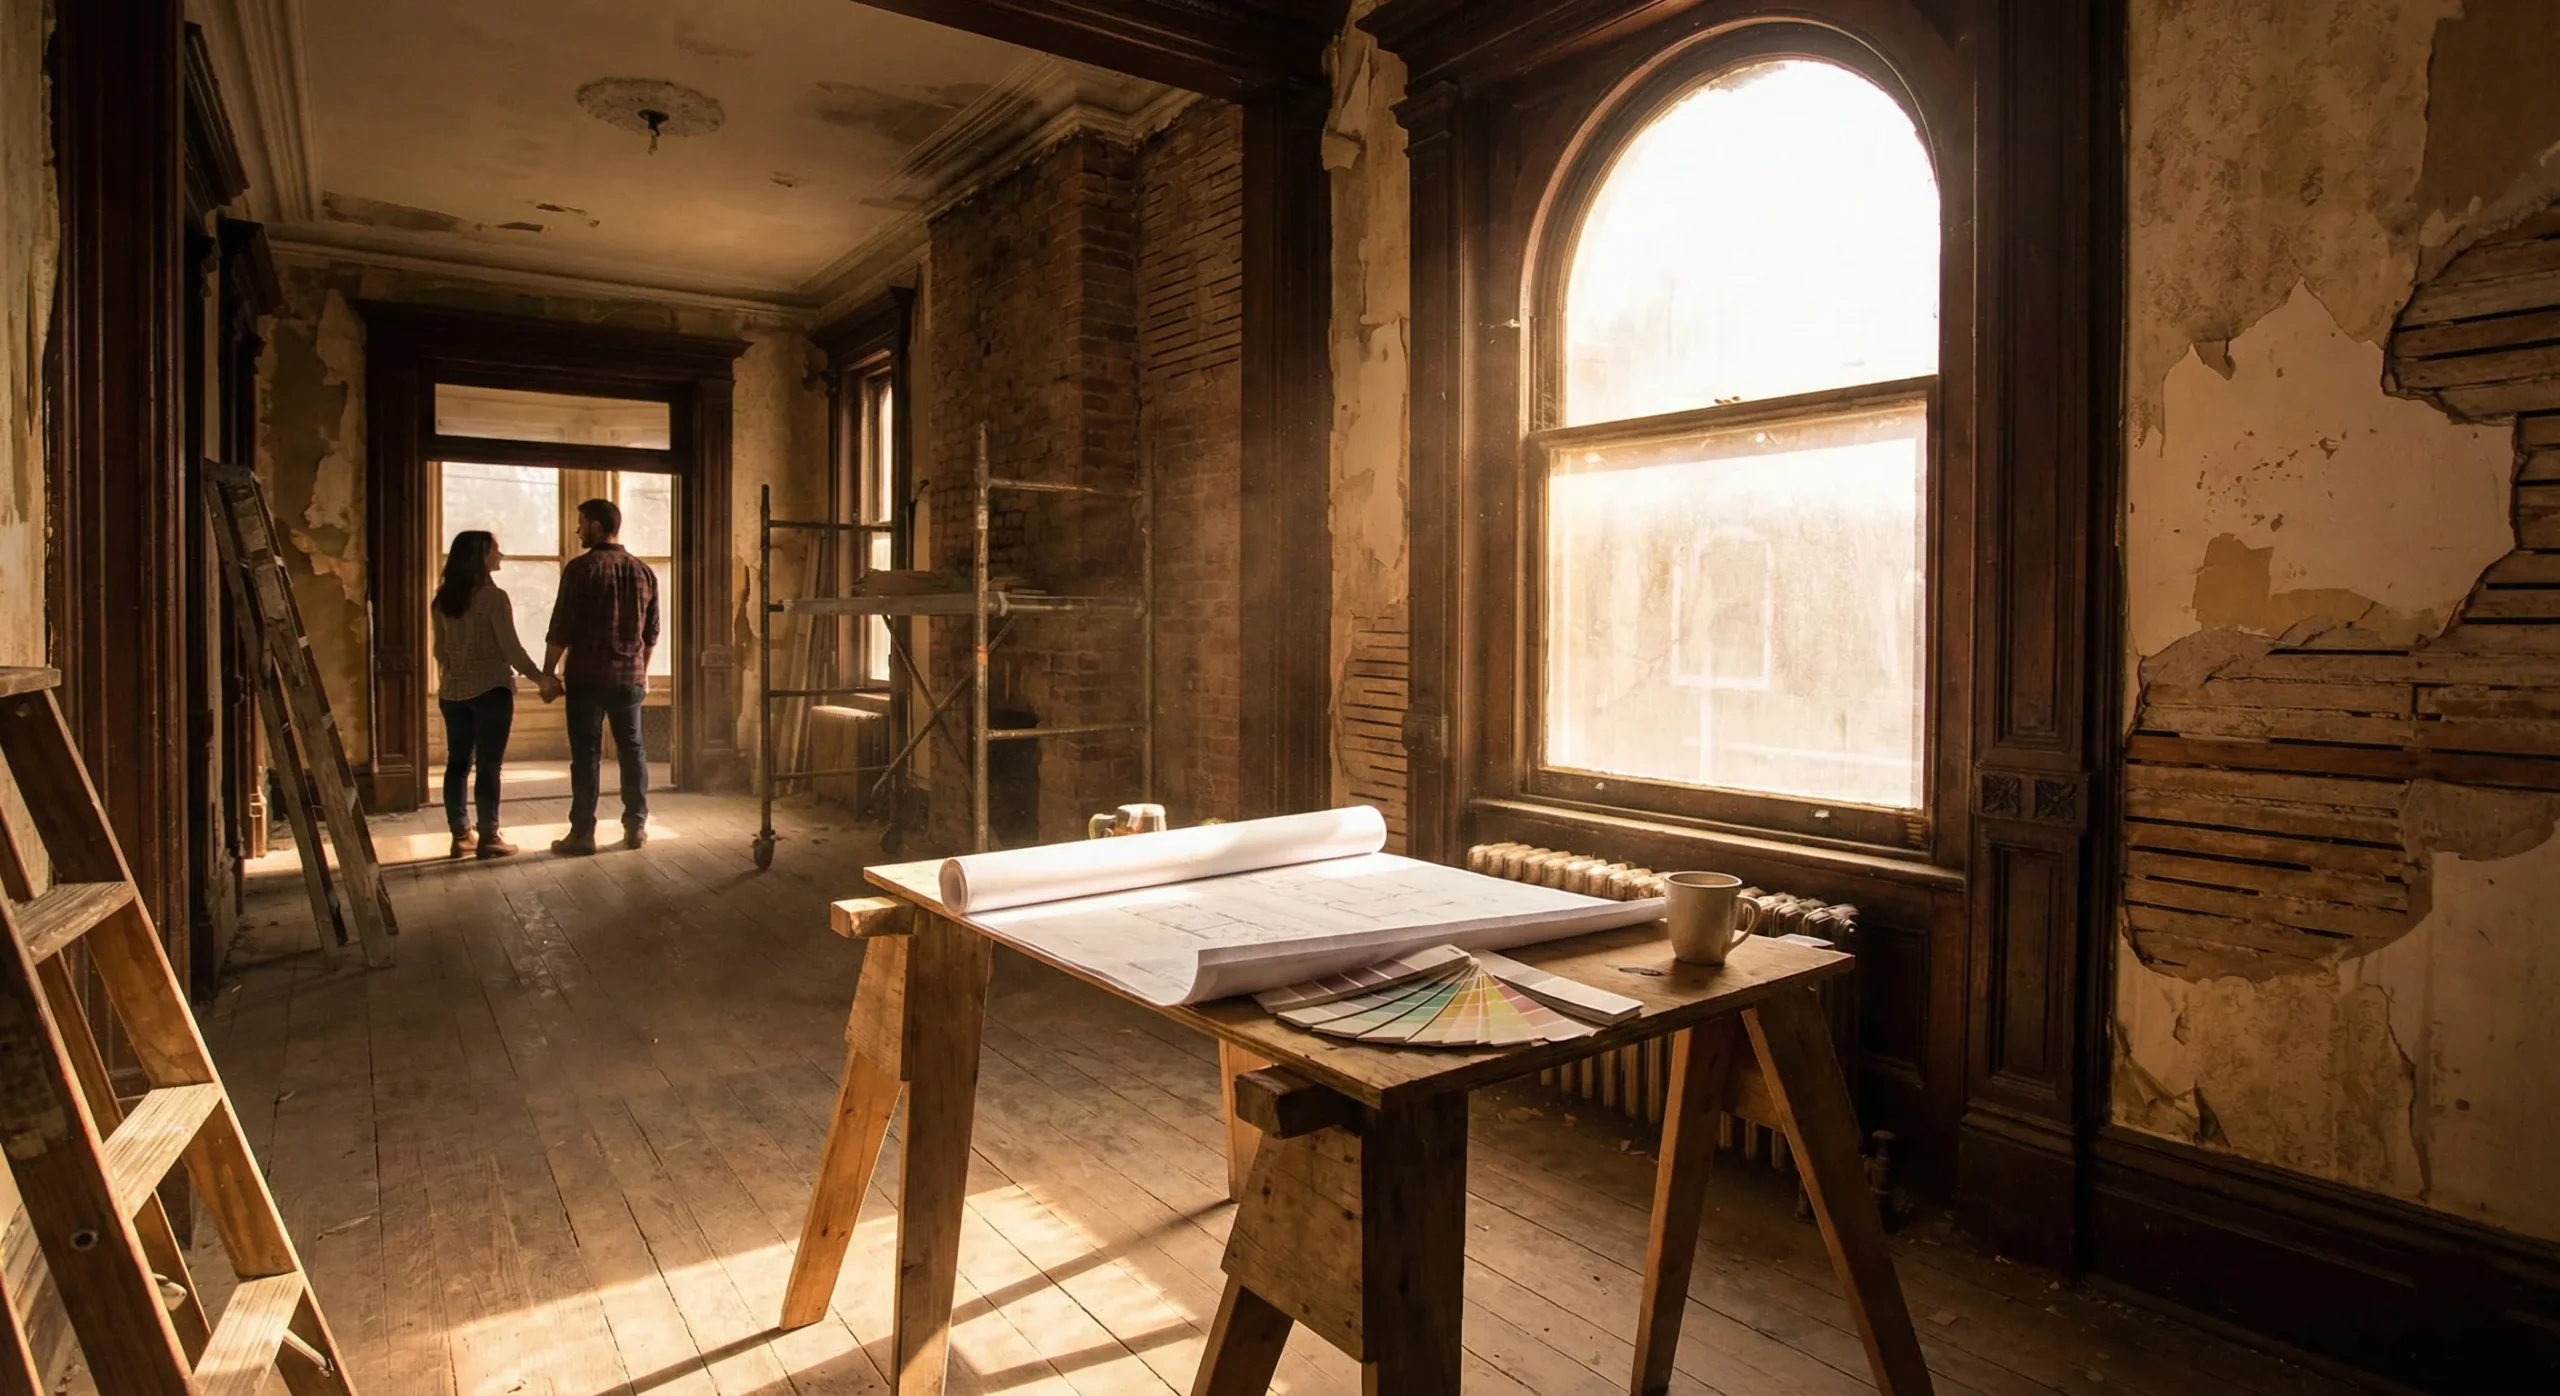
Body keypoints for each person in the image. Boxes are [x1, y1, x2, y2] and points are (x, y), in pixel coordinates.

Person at [428, 530, 556, 859]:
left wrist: (459, 667)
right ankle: (489, 836)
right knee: (488, 765)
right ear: (480, 557)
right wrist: (541, 678)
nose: (500, 555)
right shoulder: (494, 598)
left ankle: (460, 835)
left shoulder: (442, 599)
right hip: (491, 691)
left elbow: (439, 652)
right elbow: (511, 649)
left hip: (453, 692)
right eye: (495, 550)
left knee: (457, 764)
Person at [543, 497, 659, 855]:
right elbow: (650, 634)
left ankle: (582, 834)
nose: (578, 530)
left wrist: (548, 673)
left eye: (581, 523)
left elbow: (561, 627)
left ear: (596, 526)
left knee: (586, 755)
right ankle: (636, 827)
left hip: (587, 678)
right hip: (629, 678)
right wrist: (644, 672)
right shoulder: (644, 571)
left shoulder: (581, 569)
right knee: (633, 751)